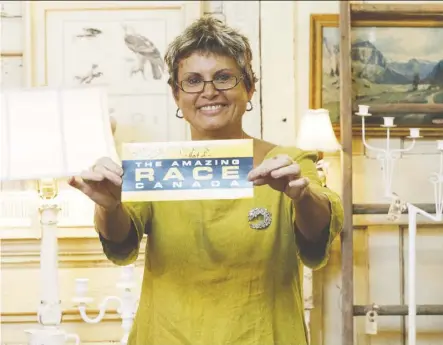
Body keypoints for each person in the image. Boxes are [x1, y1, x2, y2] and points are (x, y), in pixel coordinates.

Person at [68, 16, 344, 345]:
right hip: (167, 335)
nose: (209, 92)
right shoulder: (156, 167)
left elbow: (318, 238)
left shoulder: (287, 164)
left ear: (249, 87)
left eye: (224, 78)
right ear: (176, 94)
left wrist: (303, 197)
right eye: (193, 80)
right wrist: (110, 206)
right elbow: (121, 243)